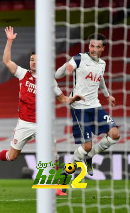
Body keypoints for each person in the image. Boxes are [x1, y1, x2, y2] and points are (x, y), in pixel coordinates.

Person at [0, 27, 84, 196]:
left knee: (53, 157)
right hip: (24, 123)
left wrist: (72, 99)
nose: (33, 62)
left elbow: (62, 99)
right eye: (31, 60)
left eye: (37, 60)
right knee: (12, 155)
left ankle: (57, 187)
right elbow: (7, 62)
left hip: (43, 124)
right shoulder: (23, 74)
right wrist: (9, 41)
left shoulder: (49, 80)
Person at [54, 33, 120, 177]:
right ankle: (67, 172)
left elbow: (100, 80)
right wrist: (66, 67)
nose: (93, 49)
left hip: (95, 106)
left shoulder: (102, 64)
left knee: (115, 134)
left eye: (97, 46)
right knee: (87, 146)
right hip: (79, 107)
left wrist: (108, 95)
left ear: (103, 48)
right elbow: (57, 75)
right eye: (91, 45)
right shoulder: (79, 58)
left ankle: (89, 156)